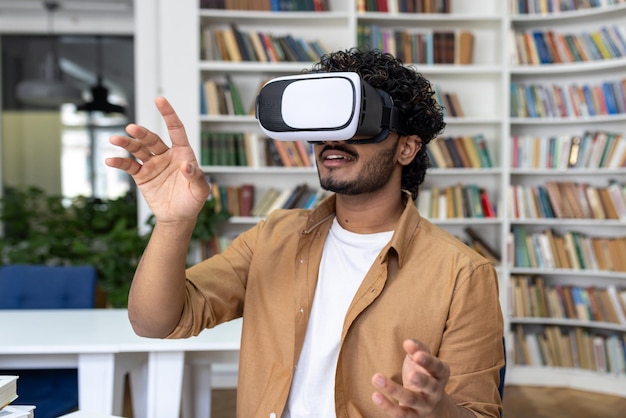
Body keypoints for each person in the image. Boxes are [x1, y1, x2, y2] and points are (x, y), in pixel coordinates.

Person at [106, 48, 504, 418]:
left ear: (406, 148)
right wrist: (174, 223)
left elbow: (478, 411)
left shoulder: (462, 273)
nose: (333, 138)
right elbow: (154, 323)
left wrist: (437, 411)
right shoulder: (273, 237)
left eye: (355, 121)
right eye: (323, 120)